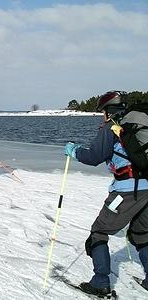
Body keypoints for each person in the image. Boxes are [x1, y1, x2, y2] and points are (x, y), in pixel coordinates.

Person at [64, 91, 148, 297]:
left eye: (102, 112)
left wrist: (73, 150)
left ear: (108, 111)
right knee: (142, 234)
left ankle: (100, 282)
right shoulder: (137, 126)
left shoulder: (112, 127)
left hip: (126, 192)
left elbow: (94, 157)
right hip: (147, 189)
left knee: (99, 232)